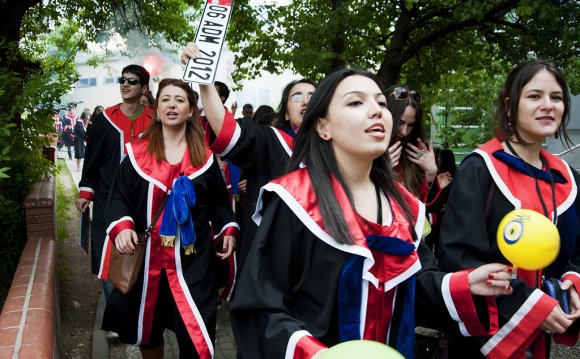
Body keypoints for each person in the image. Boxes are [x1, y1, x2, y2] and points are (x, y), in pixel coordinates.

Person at [229, 67, 514, 359]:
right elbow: (260, 307)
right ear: (323, 127)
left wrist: (462, 285)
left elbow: (412, 288)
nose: (376, 111)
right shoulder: (294, 201)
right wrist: (315, 354)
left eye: (380, 102)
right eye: (356, 102)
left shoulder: (405, 208)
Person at [437, 59, 580, 358]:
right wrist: (531, 305)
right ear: (510, 104)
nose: (548, 105)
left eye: (556, 98)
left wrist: (573, 284)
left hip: (543, 335)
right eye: (534, 96)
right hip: (487, 338)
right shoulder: (480, 169)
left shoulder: (568, 179)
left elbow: (577, 251)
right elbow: (460, 258)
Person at [99, 78, 239, 358]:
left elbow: (220, 207)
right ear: (157, 108)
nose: (172, 105)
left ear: (190, 111)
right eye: (165, 99)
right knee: (148, 334)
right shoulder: (136, 156)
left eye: (179, 100)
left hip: (193, 262)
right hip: (148, 261)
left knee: (197, 336)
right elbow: (118, 199)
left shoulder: (206, 159)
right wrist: (123, 227)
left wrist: (229, 230)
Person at [182, 42, 317, 272]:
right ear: (284, 111)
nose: (305, 101)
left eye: (313, 96)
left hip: (319, 261)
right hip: (272, 262)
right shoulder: (270, 141)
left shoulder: (339, 150)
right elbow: (227, 129)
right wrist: (205, 81)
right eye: (297, 97)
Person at [75, 65, 154, 305]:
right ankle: (115, 311)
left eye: (132, 81)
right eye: (123, 80)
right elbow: (92, 158)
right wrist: (85, 191)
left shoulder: (154, 120)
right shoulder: (104, 120)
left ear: (143, 88)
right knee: (107, 253)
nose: (126, 84)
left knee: (140, 252)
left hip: (143, 200)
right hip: (107, 198)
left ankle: (139, 306)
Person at [386, 85, 447, 211]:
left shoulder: (416, 150)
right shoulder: (366, 149)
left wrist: (430, 175)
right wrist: (380, 171)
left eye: (411, 125)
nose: (404, 132)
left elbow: (425, 209)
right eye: (400, 123)